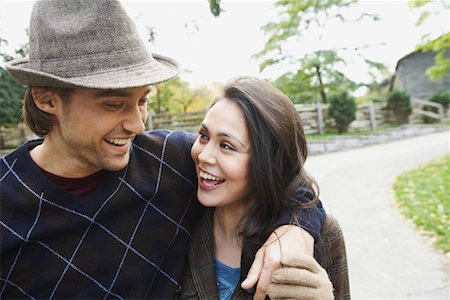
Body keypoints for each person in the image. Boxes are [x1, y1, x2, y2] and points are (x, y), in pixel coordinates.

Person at [0, 0, 327, 299]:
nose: (138, 124)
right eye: (113, 104)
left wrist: (297, 230)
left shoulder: (170, 160)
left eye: (142, 100)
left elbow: (281, 176)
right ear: (46, 99)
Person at [181, 76, 349, 299]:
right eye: (203, 135)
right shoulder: (179, 214)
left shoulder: (323, 236)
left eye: (227, 146)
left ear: (267, 163)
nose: (203, 155)